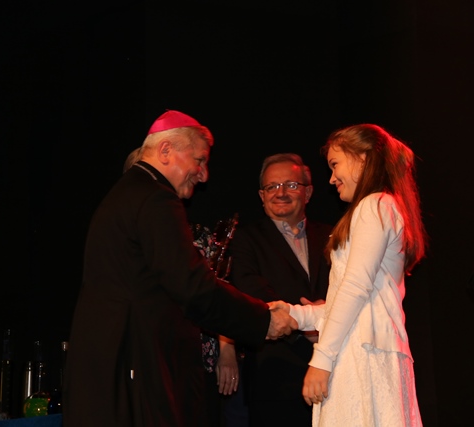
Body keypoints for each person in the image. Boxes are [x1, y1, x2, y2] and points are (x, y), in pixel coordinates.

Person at [63, 110, 297, 427]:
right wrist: (262, 319)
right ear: (165, 151)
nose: (204, 175)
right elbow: (194, 289)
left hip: (114, 361)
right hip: (133, 363)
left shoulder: (129, 193)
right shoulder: (155, 199)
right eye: (199, 161)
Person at [273, 123, 427, 426]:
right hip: (364, 348)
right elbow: (354, 300)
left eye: (335, 164)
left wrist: (321, 359)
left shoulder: (375, 205)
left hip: (362, 352)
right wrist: (295, 315)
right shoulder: (380, 207)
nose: (331, 178)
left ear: (363, 158)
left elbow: (355, 288)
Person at [226, 153, 332, 427]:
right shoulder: (245, 240)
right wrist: (305, 323)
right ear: (261, 196)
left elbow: (349, 289)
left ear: (308, 192)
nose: (281, 193)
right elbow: (252, 292)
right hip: (276, 375)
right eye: (272, 186)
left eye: (291, 185)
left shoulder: (334, 235)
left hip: (335, 369)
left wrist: (325, 319)